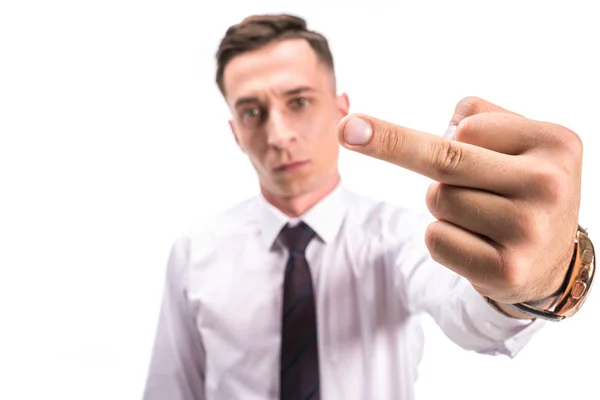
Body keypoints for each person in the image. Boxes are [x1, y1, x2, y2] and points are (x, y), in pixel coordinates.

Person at [142, 13, 595, 400]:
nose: (279, 135)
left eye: (299, 101)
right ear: (236, 132)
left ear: (341, 109)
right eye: (253, 113)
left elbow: (471, 315)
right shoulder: (194, 252)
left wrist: (549, 277)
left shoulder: (401, 237)